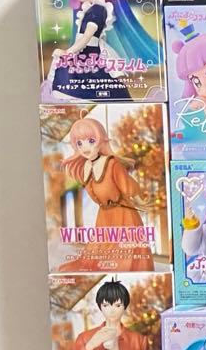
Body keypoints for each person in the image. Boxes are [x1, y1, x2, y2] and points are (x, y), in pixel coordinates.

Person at [62, 116, 154, 272]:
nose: (85, 147)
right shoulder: (85, 167)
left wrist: (140, 200)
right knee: (100, 252)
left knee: (124, 252)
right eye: (79, 143)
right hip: (104, 215)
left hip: (123, 214)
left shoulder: (112, 164)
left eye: (91, 141)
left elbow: (127, 184)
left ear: (100, 140)